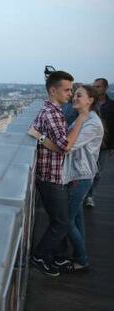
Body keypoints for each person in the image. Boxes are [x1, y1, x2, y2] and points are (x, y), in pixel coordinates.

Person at [30, 85, 104, 271]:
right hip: (76, 175)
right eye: (73, 93)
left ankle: (80, 258)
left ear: (90, 100)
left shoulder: (91, 123)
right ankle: (75, 255)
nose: (73, 97)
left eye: (79, 95)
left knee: (65, 221)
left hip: (79, 176)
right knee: (75, 219)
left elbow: (67, 146)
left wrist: (39, 137)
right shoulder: (83, 118)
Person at [29, 71, 87, 276]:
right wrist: (82, 118)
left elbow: (37, 134)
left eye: (71, 90)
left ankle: (53, 256)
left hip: (52, 174)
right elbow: (66, 145)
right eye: (67, 89)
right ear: (53, 90)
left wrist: (44, 140)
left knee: (59, 221)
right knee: (62, 222)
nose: (70, 94)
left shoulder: (51, 110)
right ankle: (39, 256)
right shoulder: (52, 113)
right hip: (50, 177)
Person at [83, 78, 114, 208]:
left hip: (104, 145)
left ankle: (89, 195)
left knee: (98, 172)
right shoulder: (88, 104)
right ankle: (86, 195)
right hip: (88, 144)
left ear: (105, 88)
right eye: (94, 86)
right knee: (87, 170)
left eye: (98, 86)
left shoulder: (112, 105)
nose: (95, 88)